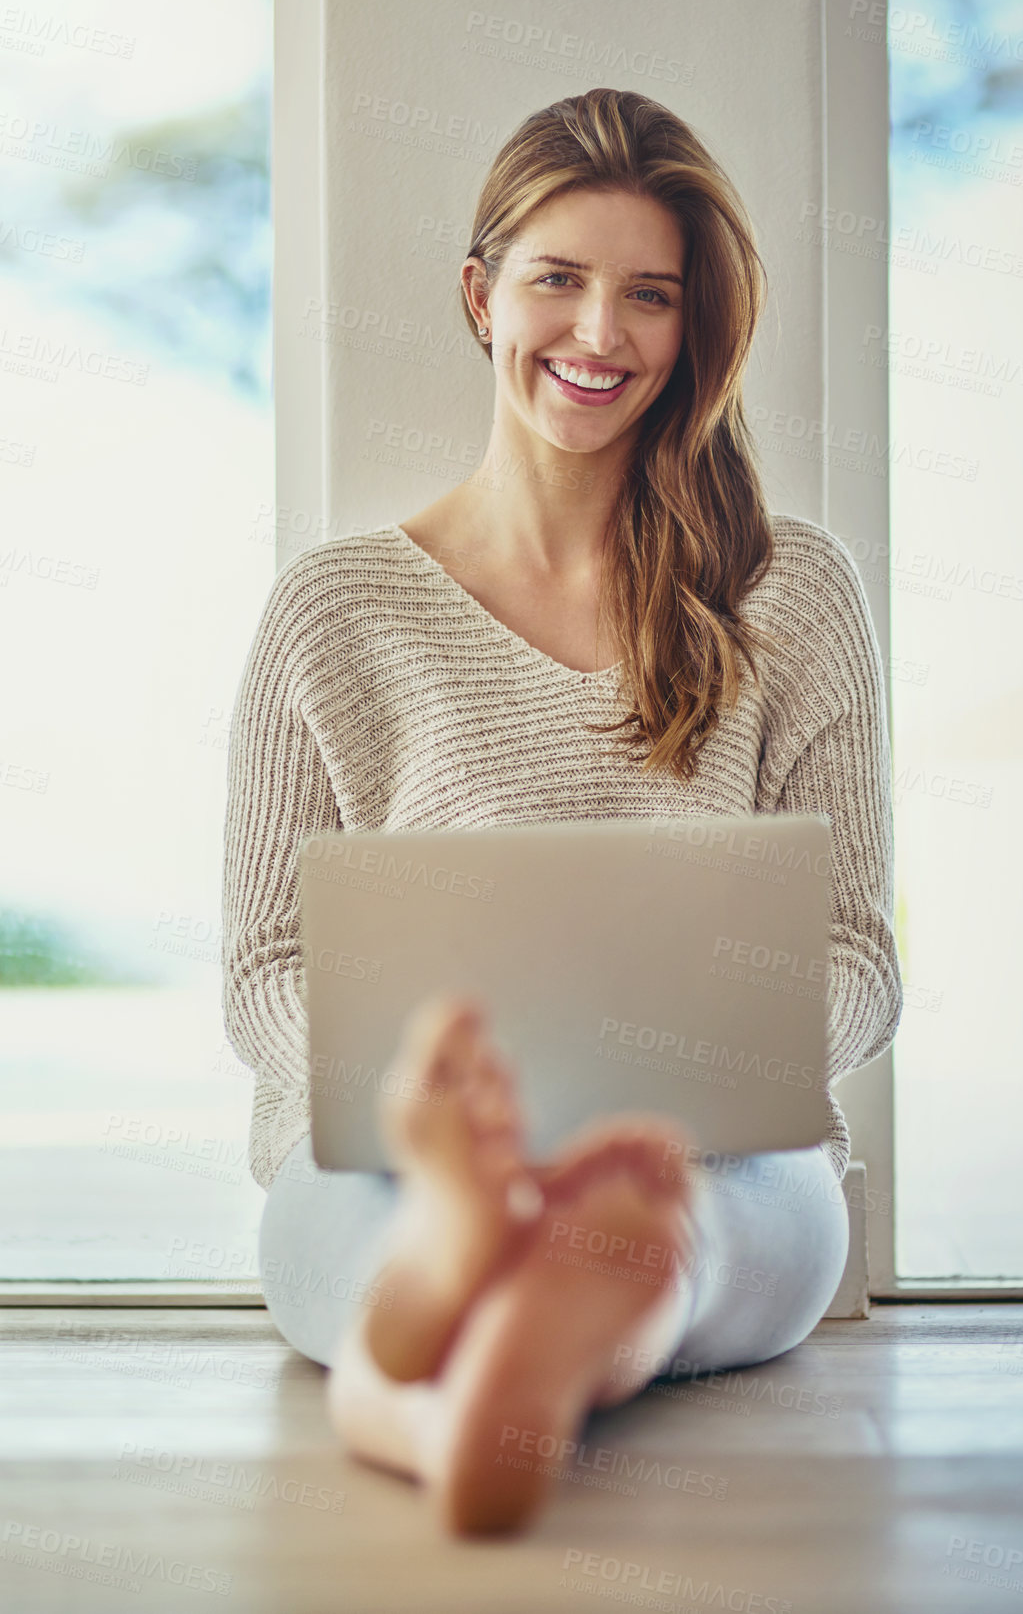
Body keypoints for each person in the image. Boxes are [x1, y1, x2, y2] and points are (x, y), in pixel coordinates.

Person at [221, 87, 902, 1536]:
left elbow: (856, 954)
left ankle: (475, 1348)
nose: (600, 336)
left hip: (718, 1159)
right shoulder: (334, 614)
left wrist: (667, 1088)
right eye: (558, 280)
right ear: (482, 296)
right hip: (395, 1165)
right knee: (397, 1231)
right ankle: (514, 1301)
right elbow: (266, 970)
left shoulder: (795, 598)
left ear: (695, 327)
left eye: (649, 297)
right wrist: (431, 1120)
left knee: (682, 1225)